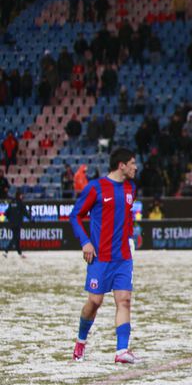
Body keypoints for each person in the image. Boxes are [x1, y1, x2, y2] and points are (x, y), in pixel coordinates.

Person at [69, 147, 140, 363]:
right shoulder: (96, 188)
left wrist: (132, 236)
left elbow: (126, 217)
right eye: (133, 163)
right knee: (95, 301)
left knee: (124, 300)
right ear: (122, 165)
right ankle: (81, 342)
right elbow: (75, 216)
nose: (136, 167)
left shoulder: (131, 189)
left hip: (123, 257)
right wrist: (86, 242)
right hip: (100, 257)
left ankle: (121, 351)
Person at [3, 191, 27, 258]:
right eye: (21, 195)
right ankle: (6, 251)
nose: (22, 196)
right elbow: (25, 213)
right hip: (18, 224)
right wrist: (31, 219)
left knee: (17, 238)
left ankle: (20, 253)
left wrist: (10, 219)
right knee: (15, 238)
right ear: (19, 195)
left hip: (12, 224)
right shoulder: (20, 203)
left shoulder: (12, 202)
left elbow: (6, 213)